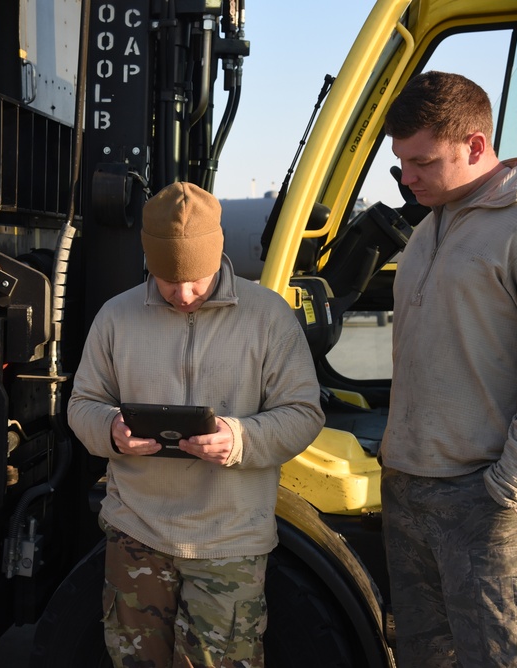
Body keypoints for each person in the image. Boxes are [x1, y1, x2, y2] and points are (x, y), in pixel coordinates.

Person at [379, 71, 517, 667]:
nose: (407, 178)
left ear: (475, 146)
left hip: (488, 504)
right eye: (400, 164)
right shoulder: (428, 226)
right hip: (410, 495)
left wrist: (510, 486)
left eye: (421, 162)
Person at [67, 181, 325, 667]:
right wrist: (110, 431)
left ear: (218, 256)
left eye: (197, 280)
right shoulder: (116, 318)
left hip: (229, 541)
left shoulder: (268, 317)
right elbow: (82, 404)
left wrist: (240, 439)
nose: (183, 294)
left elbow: (304, 414)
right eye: (168, 281)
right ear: (148, 262)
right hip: (136, 537)